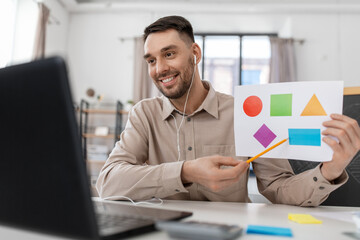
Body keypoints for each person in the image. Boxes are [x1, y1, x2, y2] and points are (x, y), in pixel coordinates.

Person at [96, 15, 360, 206]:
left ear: (195, 53)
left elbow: (278, 189)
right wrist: (185, 171)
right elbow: (107, 183)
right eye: (151, 60)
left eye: (169, 54)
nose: (159, 69)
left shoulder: (246, 114)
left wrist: (329, 171)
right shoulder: (144, 114)